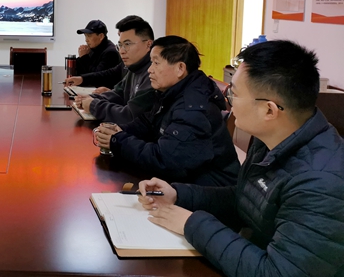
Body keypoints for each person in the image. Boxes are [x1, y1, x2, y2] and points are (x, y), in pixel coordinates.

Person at [137, 40, 344, 277]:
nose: (228, 102)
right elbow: (245, 200)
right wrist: (178, 195)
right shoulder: (271, 138)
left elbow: (276, 273)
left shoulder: (321, 183)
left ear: (269, 110)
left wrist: (191, 224)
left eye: (233, 94)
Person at [95, 35, 239, 186]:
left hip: (208, 189)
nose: (150, 70)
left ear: (180, 68)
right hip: (184, 181)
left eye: (156, 63)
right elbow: (147, 124)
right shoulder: (171, 92)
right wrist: (119, 131)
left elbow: (165, 161)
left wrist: (119, 141)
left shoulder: (193, 108)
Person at [74, 16, 154, 126]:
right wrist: (90, 98)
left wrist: (93, 105)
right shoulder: (134, 67)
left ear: (148, 44)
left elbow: (130, 116)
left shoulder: (153, 74)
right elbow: (118, 93)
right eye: (120, 45)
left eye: (127, 44)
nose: (121, 51)